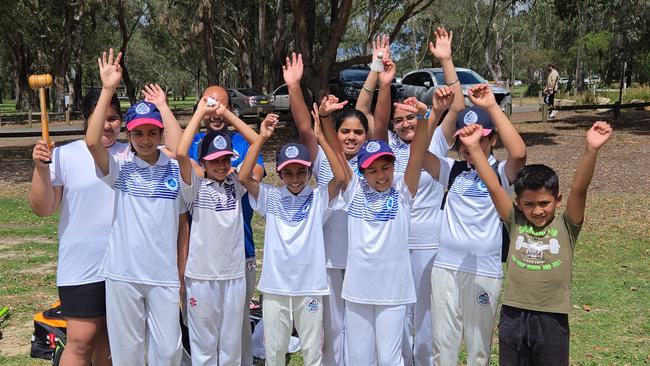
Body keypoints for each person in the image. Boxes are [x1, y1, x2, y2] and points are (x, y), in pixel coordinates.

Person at [456, 121, 612, 366]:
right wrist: (475, 149)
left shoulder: (566, 226)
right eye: (529, 204)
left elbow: (579, 189)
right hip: (513, 316)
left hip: (552, 320)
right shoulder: (515, 221)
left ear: (557, 200)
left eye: (544, 203)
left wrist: (591, 149)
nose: (537, 210)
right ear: (518, 203)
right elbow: (494, 186)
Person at [86, 48, 187, 365]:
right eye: (139, 133)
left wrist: (163, 107)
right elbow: (91, 142)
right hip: (123, 273)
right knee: (128, 354)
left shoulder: (177, 168)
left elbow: (180, 147)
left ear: (160, 132)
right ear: (129, 134)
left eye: (152, 132)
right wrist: (107, 90)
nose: (145, 139)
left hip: (163, 275)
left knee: (169, 351)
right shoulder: (120, 167)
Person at [371, 27, 464, 366]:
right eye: (400, 120)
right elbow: (375, 122)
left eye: (411, 117)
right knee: (398, 316)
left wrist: (446, 60)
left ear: (421, 117)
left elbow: (457, 108)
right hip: (392, 242)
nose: (405, 124)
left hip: (428, 242)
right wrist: (380, 75)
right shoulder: (387, 149)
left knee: (425, 319)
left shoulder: (435, 140)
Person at [238, 106, 347, 366]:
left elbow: (341, 177)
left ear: (309, 170)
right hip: (275, 288)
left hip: (310, 287)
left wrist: (321, 139)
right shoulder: (271, 196)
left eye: (301, 171)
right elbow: (243, 176)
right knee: (275, 353)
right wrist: (262, 138)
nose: (295, 178)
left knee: (312, 353)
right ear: (280, 173)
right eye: (288, 172)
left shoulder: (319, 198)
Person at [427, 84, 527, 366]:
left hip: (484, 270)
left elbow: (519, 154)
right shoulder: (453, 170)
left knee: (478, 349)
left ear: (491, 139)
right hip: (446, 267)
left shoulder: (500, 172)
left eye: (479, 138)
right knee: (443, 347)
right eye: (465, 138)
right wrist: (434, 113)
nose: (471, 145)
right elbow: (419, 153)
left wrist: (492, 107)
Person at [334, 85, 434, 364]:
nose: (381, 175)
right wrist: (323, 122)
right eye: (373, 170)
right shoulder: (352, 189)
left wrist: (424, 118)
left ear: (394, 167)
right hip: (357, 290)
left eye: (386, 167)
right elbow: (334, 151)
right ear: (361, 171)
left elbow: (417, 153)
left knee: (390, 359)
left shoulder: (403, 191)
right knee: (359, 358)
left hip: (393, 291)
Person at [285, 51, 370, 366]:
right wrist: (294, 86)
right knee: (331, 334)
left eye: (358, 133)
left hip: (364, 260)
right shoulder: (321, 156)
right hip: (329, 259)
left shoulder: (374, 167)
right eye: (345, 131)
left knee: (360, 333)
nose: (350, 137)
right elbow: (306, 128)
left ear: (366, 137)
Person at [187, 85, 265, 366]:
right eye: (214, 160)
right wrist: (199, 112)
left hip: (236, 264)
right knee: (204, 343)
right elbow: (182, 154)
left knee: (234, 342)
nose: (221, 165)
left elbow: (255, 148)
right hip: (201, 267)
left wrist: (227, 115)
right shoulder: (194, 168)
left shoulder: (236, 174)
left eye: (225, 160)